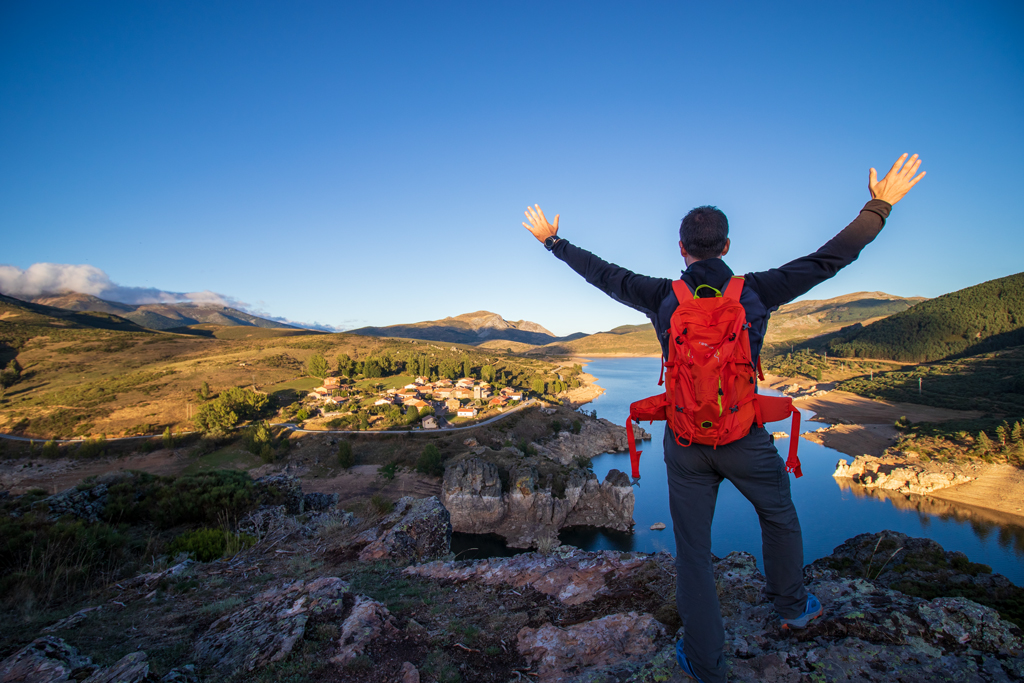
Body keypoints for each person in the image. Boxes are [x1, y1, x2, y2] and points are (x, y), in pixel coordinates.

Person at [521, 154, 925, 683]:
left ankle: (706, 664)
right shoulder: (757, 290)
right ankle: (793, 608)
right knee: (777, 516)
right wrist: (881, 204)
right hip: (746, 436)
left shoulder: (663, 295)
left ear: (682, 250)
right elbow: (832, 258)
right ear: (727, 247)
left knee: (692, 551)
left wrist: (554, 242)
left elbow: (603, 275)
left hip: (685, 442)